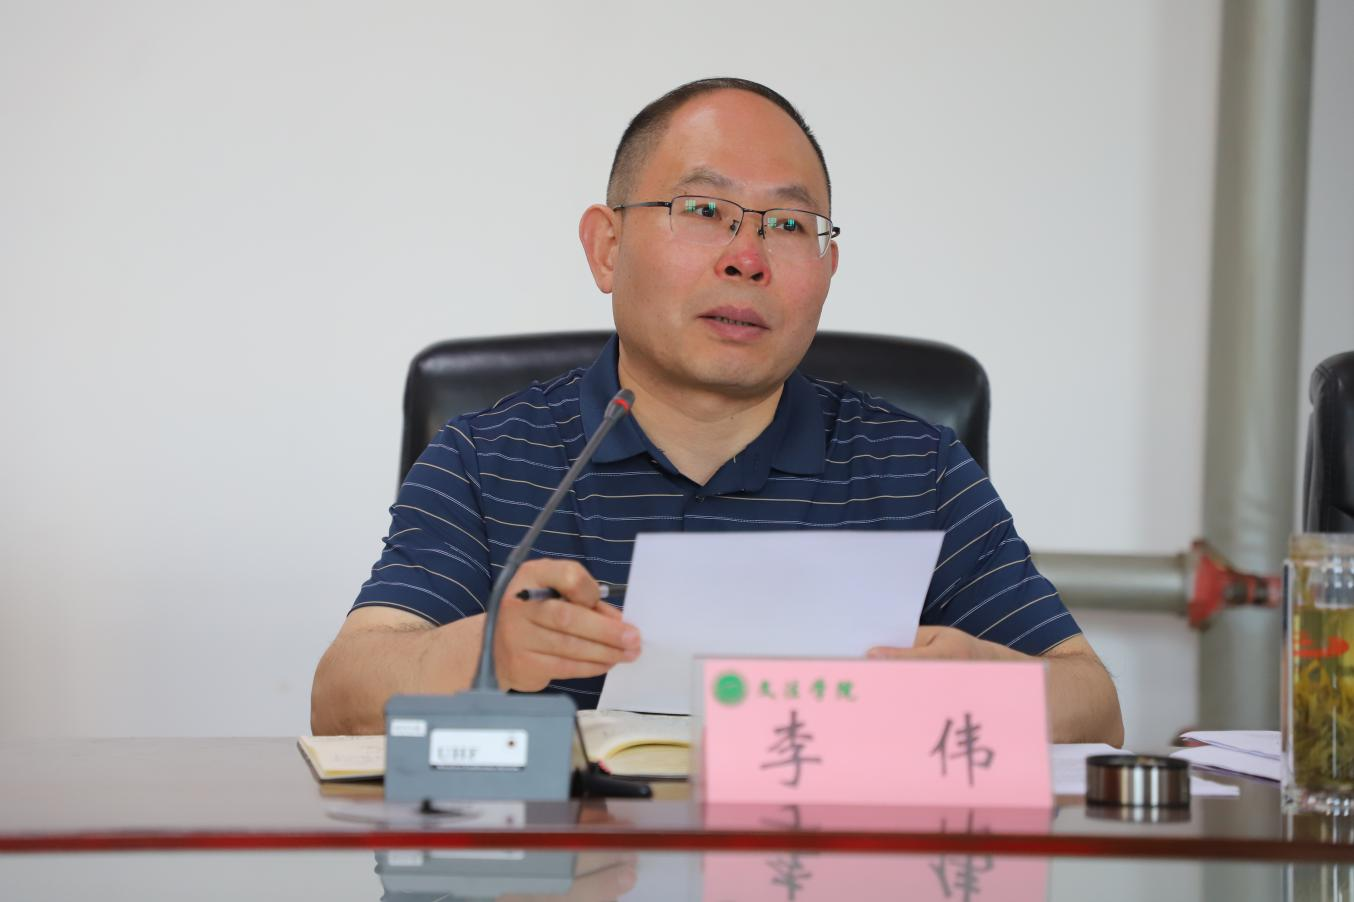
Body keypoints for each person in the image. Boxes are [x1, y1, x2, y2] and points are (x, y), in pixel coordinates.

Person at [311, 78, 1124, 746]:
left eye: (789, 225)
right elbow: (341, 700)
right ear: (606, 247)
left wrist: (991, 685)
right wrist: (480, 651)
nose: (747, 258)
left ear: (828, 267)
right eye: (704, 211)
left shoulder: (917, 469)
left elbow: (1095, 708)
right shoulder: (485, 459)